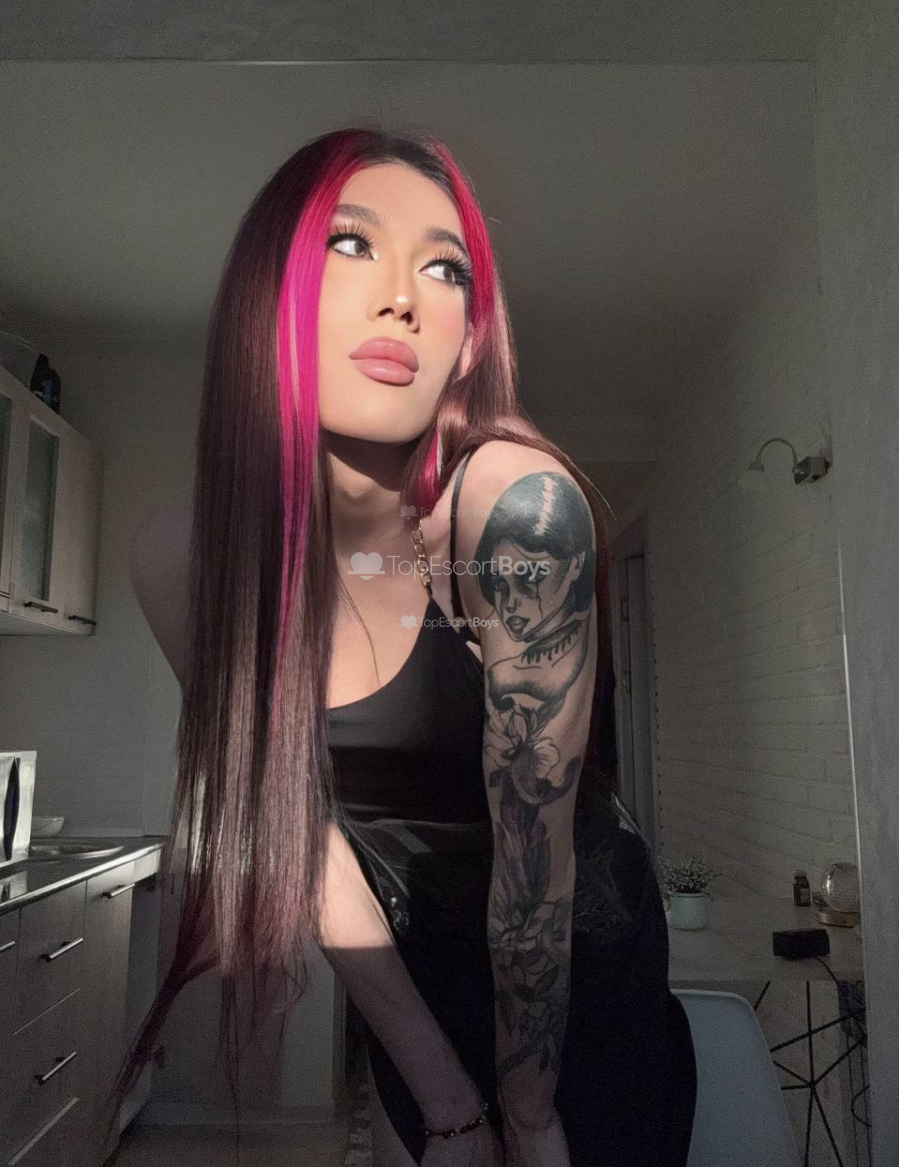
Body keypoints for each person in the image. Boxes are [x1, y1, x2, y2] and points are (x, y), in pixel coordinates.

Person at [122, 126, 697, 1167]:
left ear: (468, 341)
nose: (402, 298)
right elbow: (298, 830)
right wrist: (445, 1097)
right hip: (408, 965)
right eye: (350, 244)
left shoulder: (513, 512)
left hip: (575, 966)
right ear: (267, 293)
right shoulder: (183, 558)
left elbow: (535, 866)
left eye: (444, 270)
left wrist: (525, 1111)